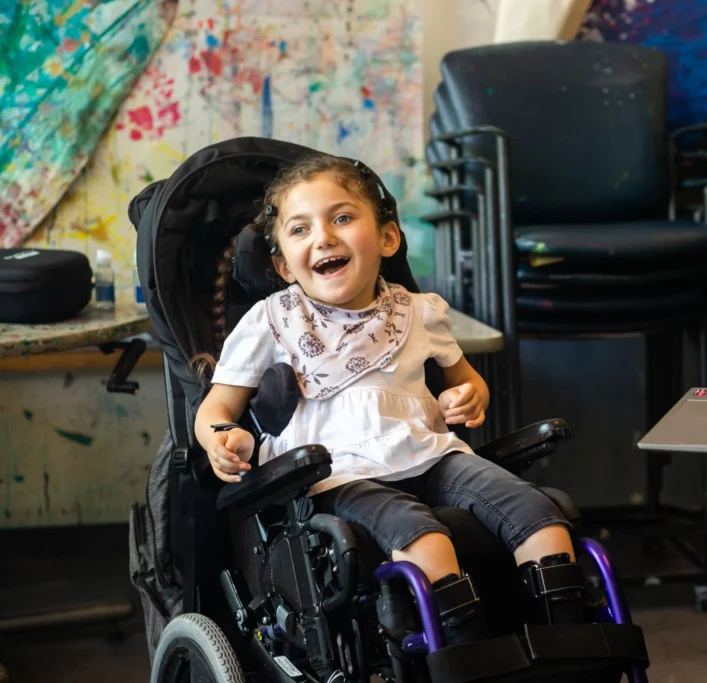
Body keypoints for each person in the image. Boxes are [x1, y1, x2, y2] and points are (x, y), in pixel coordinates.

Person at [191, 153, 584, 645]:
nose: (323, 238)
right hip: (338, 475)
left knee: (537, 513)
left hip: (433, 456)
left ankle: (571, 644)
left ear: (387, 238)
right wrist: (220, 437)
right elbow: (216, 410)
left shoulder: (420, 312)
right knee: (424, 536)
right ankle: (466, 653)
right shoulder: (271, 322)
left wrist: (467, 397)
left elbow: (468, 383)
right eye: (300, 229)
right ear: (282, 265)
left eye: (342, 217)